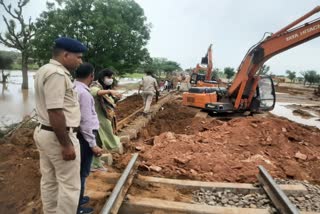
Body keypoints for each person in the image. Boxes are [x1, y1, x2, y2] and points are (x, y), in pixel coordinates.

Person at [33, 37, 86, 214]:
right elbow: (55, 111)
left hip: (45, 132)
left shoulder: (44, 70)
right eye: (78, 57)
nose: (81, 61)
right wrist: (66, 144)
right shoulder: (56, 74)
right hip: (59, 136)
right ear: (65, 55)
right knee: (70, 185)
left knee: (49, 180)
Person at [74, 63, 103, 214]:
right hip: (85, 137)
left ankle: (78, 198)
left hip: (79, 135)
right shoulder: (85, 94)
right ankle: (77, 206)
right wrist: (93, 144)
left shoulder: (74, 87)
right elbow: (85, 122)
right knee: (82, 172)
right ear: (91, 76)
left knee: (78, 170)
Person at [90, 68, 123, 170]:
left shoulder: (105, 89)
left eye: (112, 78)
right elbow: (95, 92)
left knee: (98, 142)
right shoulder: (95, 85)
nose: (110, 79)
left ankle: (96, 163)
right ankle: (92, 163)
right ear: (102, 77)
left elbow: (110, 102)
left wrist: (116, 98)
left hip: (103, 118)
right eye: (109, 77)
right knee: (103, 139)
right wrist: (110, 91)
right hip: (96, 118)